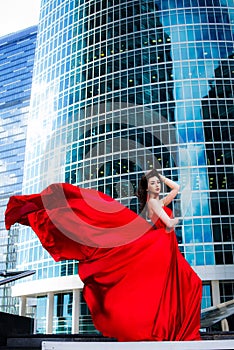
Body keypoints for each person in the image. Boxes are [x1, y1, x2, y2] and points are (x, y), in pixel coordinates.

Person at [5, 169, 202, 341]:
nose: (157, 187)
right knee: (188, 284)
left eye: (158, 184)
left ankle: (170, 329)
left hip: (165, 248)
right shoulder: (153, 203)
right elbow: (168, 224)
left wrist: (160, 178)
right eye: (153, 184)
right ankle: (166, 329)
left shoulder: (159, 201)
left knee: (186, 285)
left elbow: (175, 188)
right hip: (158, 244)